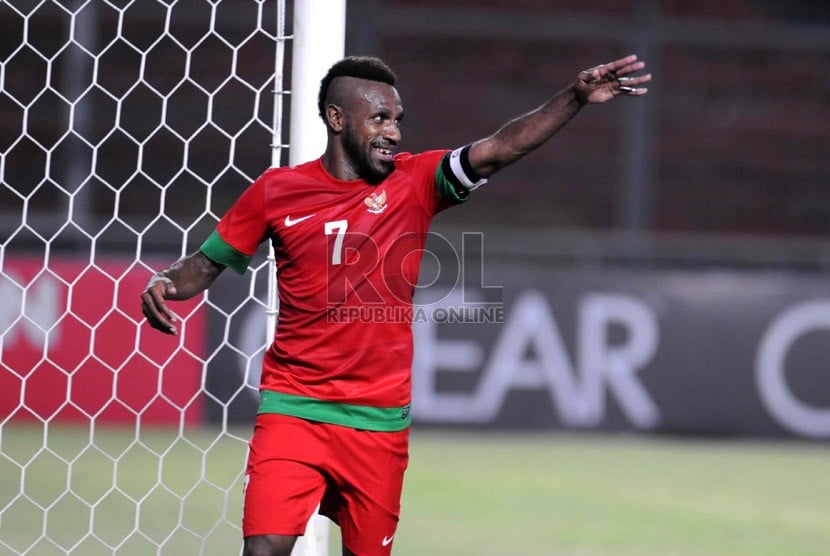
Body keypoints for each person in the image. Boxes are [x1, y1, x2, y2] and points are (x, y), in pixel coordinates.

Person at [140, 54, 650, 556]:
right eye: (380, 118)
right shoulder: (277, 191)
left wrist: (575, 98)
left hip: (377, 424)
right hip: (294, 410)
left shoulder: (416, 181)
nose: (395, 132)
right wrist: (166, 280)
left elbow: (499, 149)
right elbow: (206, 265)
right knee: (264, 549)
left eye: (398, 120)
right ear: (337, 119)